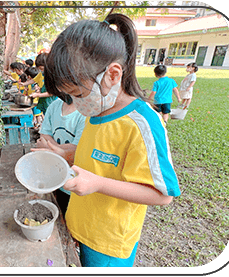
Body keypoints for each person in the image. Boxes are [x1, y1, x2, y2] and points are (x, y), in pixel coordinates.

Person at [41, 14, 181, 267]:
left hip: (108, 243)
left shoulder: (142, 124)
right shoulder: (97, 112)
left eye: (77, 93)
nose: (75, 103)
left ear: (113, 75)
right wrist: (69, 154)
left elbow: (162, 195)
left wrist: (97, 183)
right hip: (79, 224)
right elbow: (101, 156)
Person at [33, 94, 86, 217]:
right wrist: (60, 151)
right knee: (61, 214)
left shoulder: (85, 111)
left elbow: (77, 150)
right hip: (58, 179)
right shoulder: (54, 106)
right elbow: (44, 136)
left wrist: (48, 147)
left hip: (78, 182)